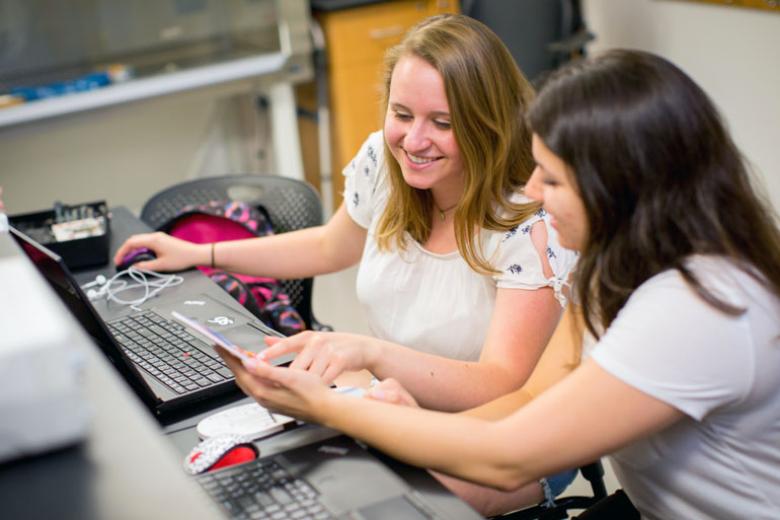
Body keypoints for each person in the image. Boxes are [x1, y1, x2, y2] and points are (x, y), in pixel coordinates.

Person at [221, 49, 780, 519]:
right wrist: (401, 424)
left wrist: (333, 409)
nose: (533, 191)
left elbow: (511, 456)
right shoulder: (612, 263)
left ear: (623, 188)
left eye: (553, 178)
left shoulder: (698, 309)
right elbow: (533, 397)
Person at [115, 14, 577, 509]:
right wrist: (200, 253)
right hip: (399, 401)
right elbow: (328, 247)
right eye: (402, 114)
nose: (414, 141)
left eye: (442, 124)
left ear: (489, 123)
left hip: (508, 433)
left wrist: (372, 355)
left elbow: (505, 384)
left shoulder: (530, 219)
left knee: (373, 504)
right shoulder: (387, 161)